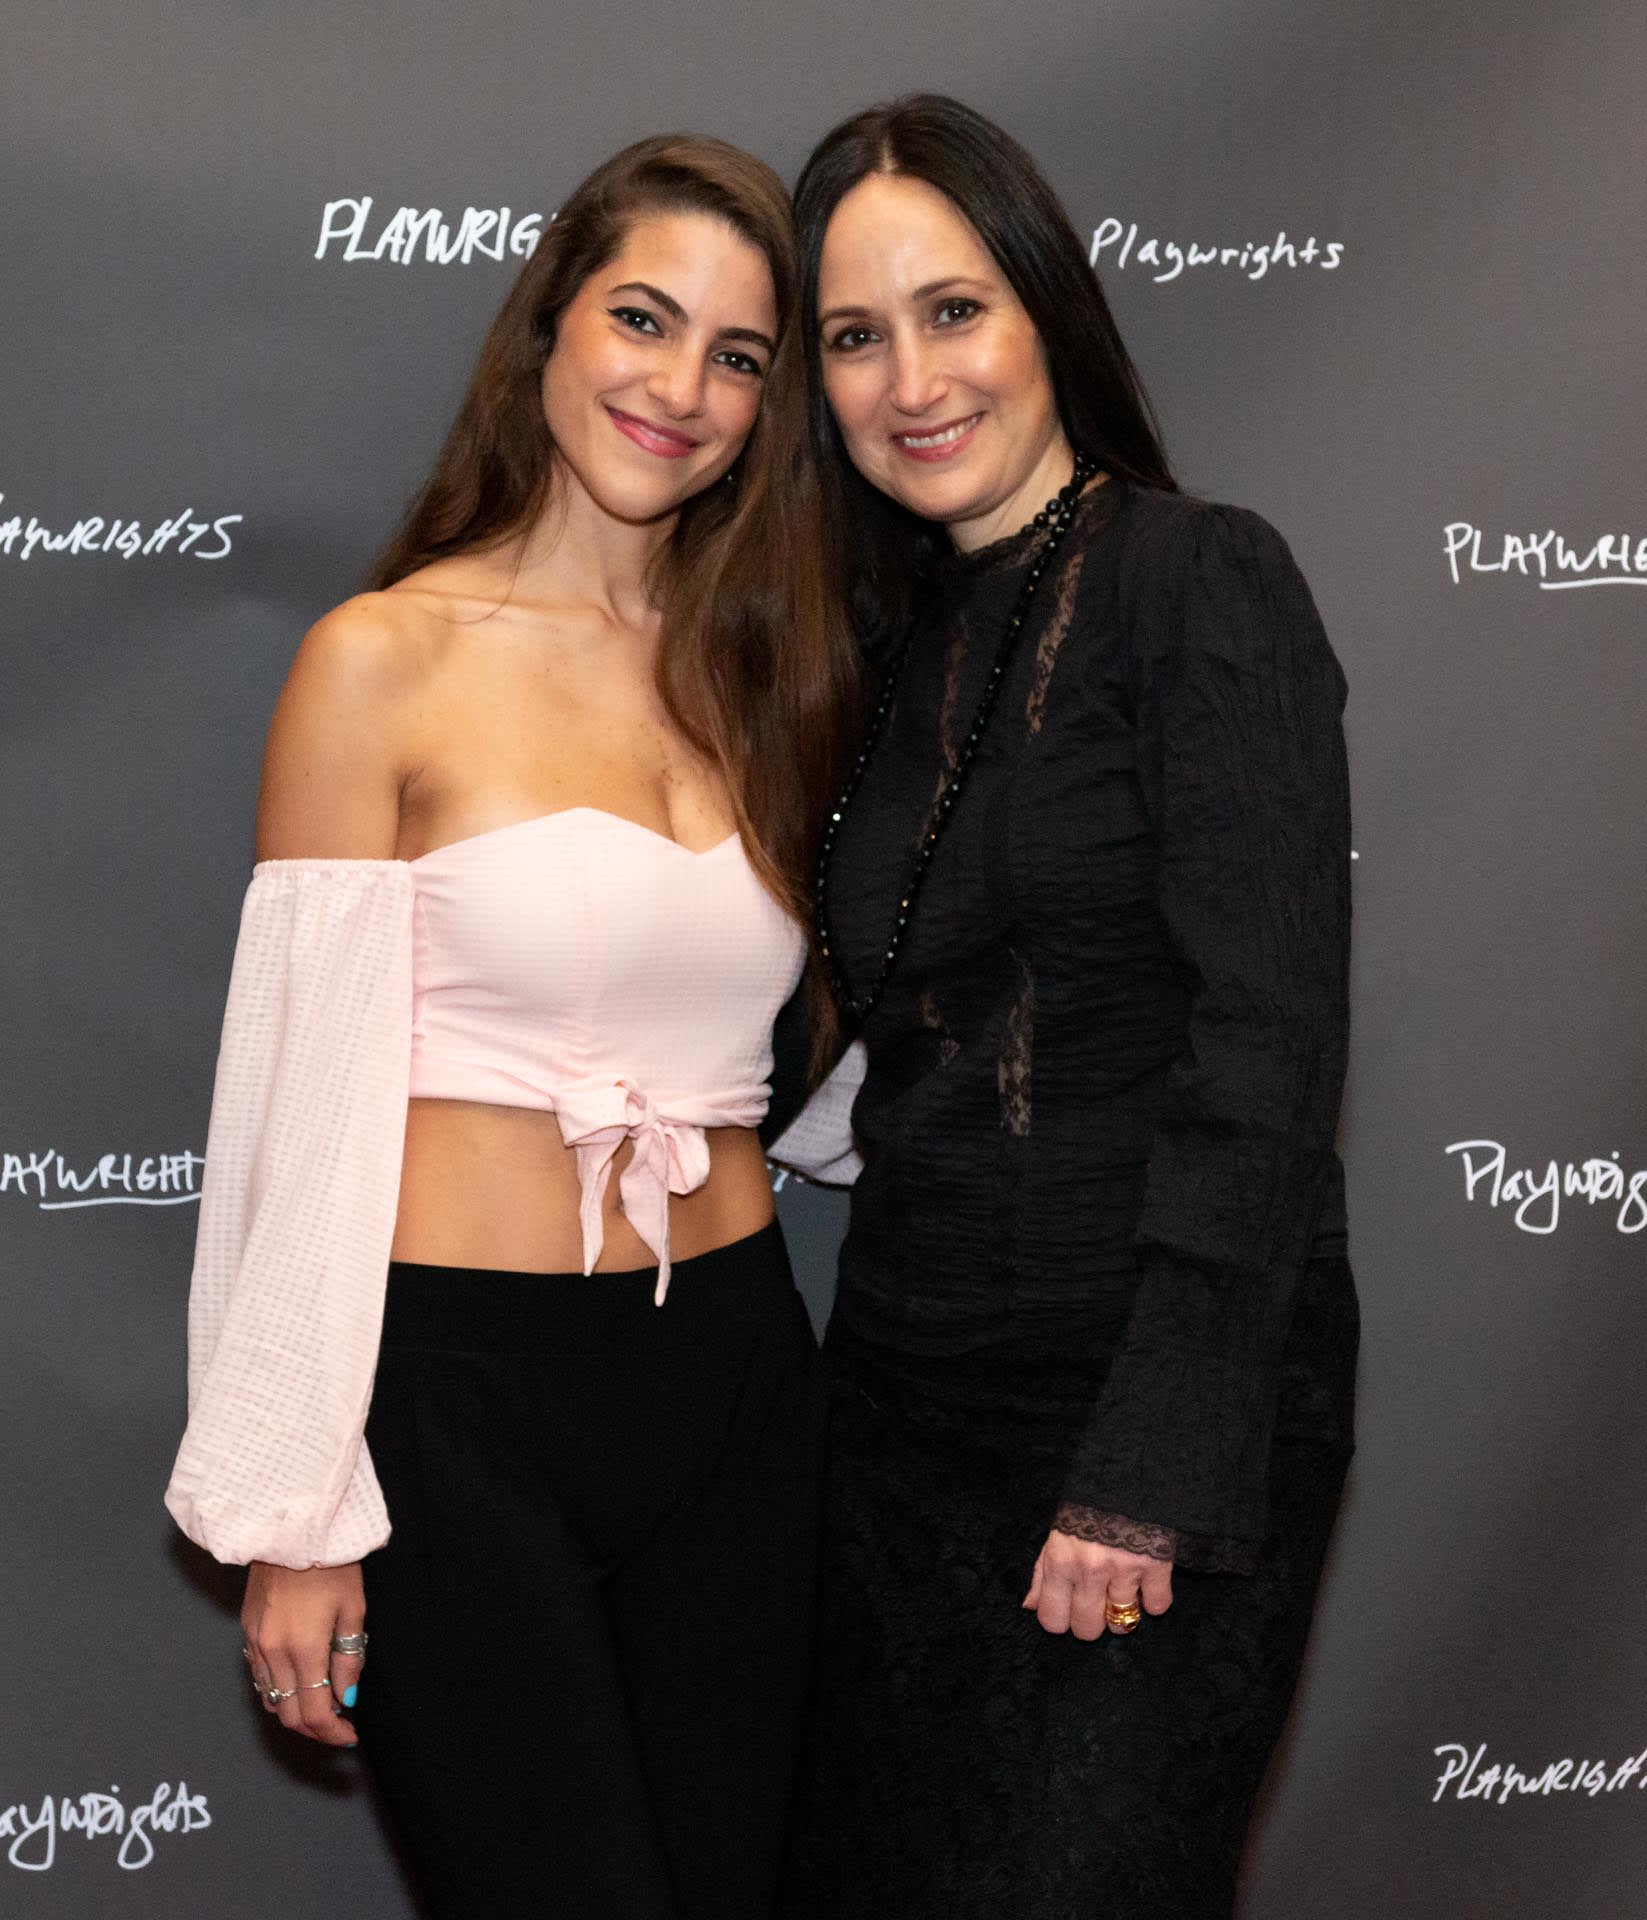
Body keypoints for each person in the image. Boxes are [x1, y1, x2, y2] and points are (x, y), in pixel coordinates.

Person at [165, 133, 855, 1920]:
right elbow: (297, 1114)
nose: (679, 388)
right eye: (642, 319)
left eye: (738, 355)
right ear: (548, 324)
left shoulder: (774, 674)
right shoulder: (380, 660)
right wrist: (299, 1512)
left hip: (738, 1383)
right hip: (457, 1407)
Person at [768, 95, 1357, 1919]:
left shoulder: (1199, 580)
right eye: (855, 336)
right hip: (899, 1416)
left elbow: (1266, 1051)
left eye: (954, 310)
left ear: (1048, 310)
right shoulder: (877, 648)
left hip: (1137, 1413)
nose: (912, 381)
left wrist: (1148, 1469)